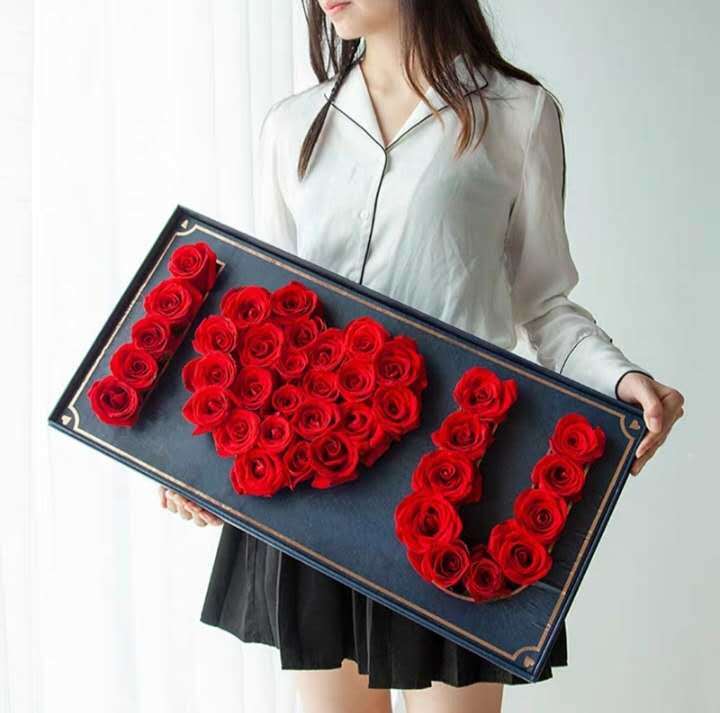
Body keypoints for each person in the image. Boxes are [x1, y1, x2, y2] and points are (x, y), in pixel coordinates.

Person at [159, 1, 685, 711]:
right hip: (310, 471)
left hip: (449, 485)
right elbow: (272, 322)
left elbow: (544, 306)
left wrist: (621, 379)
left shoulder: (517, 114)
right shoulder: (292, 125)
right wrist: (198, 462)